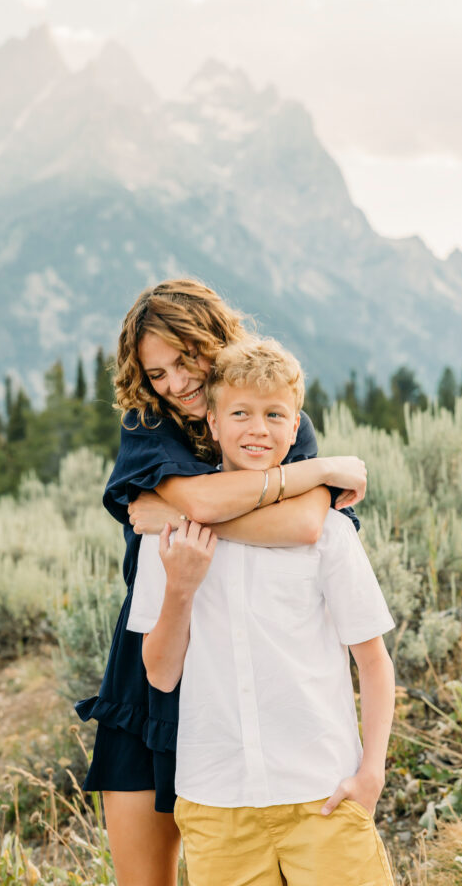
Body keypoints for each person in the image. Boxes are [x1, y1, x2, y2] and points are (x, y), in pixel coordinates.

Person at [75, 279, 368, 886]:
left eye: (186, 361)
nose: (176, 384)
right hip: (154, 654)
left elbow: (307, 524)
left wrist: (182, 513)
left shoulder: (276, 415)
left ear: (216, 338)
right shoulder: (147, 425)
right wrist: (315, 473)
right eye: (157, 374)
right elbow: (208, 500)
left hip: (245, 673)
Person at [128, 336, 396, 886]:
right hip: (215, 801)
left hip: (322, 792)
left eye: (275, 415)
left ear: (296, 428)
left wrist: (371, 773)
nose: (258, 429)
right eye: (241, 414)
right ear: (213, 425)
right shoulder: (170, 534)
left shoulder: (329, 533)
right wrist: (181, 587)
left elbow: (373, 660)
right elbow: (159, 672)